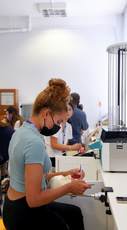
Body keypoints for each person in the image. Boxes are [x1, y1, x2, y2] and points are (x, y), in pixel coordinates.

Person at [3, 78, 91, 230]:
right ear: (46, 113)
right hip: (23, 211)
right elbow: (34, 199)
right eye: (58, 122)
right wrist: (70, 187)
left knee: (74, 213)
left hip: (11, 204)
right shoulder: (34, 142)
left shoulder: (22, 131)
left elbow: (32, 177)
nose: (57, 127)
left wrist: (65, 173)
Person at [43, 102, 81, 168]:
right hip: (50, 156)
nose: (67, 111)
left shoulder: (69, 126)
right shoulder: (55, 124)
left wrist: (74, 148)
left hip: (60, 156)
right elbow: (53, 145)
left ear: (72, 113)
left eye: (69, 109)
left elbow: (65, 144)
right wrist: (71, 147)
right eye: (65, 109)